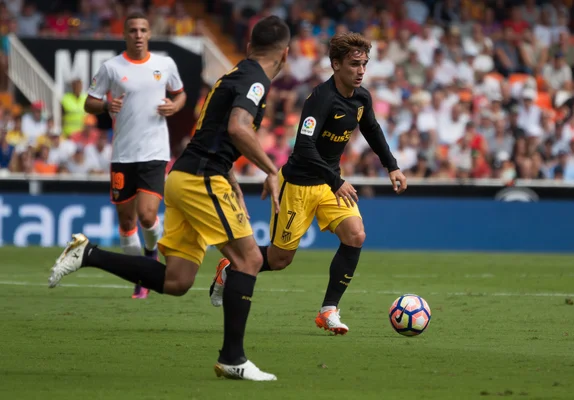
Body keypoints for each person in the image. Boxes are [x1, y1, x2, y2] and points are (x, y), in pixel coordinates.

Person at [48, 15, 290, 381]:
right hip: (200, 180)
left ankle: (88, 253)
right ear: (285, 55)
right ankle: (233, 358)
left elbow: (212, 132)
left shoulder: (233, 75)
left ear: (247, 46)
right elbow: (237, 127)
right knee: (249, 260)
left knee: (177, 281)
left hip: (184, 177)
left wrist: (231, 174)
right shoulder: (255, 80)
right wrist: (272, 171)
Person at [210, 32, 407, 335]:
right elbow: (304, 146)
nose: (361, 71)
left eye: (364, 64)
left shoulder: (361, 97)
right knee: (279, 260)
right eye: (355, 65)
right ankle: (231, 265)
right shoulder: (320, 99)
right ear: (336, 64)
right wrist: (336, 180)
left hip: (329, 184)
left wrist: (392, 166)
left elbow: (372, 129)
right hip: (299, 185)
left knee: (355, 235)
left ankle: (328, 310)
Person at [84, 12, 187, 299]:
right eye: (133, 30)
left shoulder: (164, 64)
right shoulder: (111, 67)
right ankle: (139, 276)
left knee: (146, 215)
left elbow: (180, 94)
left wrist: (175, 106)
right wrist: (106, 105)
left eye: (143, 30)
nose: (138, 35)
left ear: (149, 33)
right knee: (127, 222)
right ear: (125, 34)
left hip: (155, 152)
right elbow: (89, 102)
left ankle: (150, 254)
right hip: (123, 154)